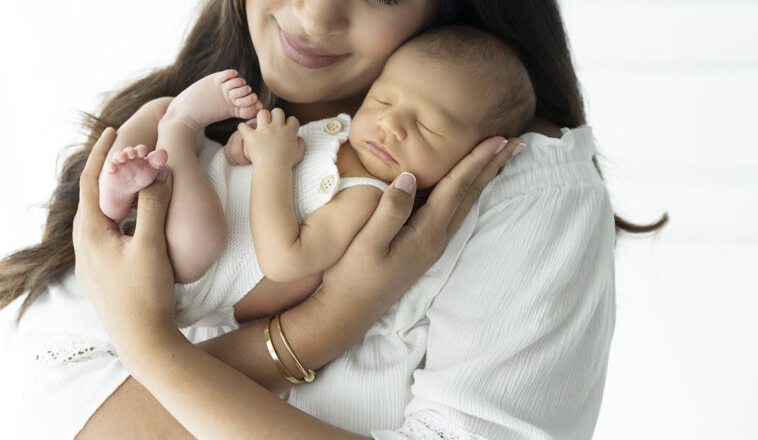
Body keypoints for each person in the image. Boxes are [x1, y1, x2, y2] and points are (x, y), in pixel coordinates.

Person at [0, 0, 666, 438]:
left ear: (455, 10)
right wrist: (318, 325)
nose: (312, 14)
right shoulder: (198, 114)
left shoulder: (516, 183)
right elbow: (60, 409)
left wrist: (149, 343)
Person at [98, 26, 536, 329]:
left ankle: (181, 127)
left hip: (194, 274)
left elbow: (284, 260)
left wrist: (272, 163)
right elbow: (243, 156)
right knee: (155, 109)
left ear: (468, 159)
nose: (391, 126)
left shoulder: (369, 199)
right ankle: (120, 194)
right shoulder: (340, 129)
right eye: (383, 100)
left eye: (427, 128)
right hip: (192, 186)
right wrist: (245, 146)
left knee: (199, 229)